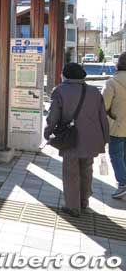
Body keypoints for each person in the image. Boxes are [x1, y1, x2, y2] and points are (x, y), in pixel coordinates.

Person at [44, 63, 110, 217]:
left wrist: (48, 133)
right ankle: (84, 201)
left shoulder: (60, 91)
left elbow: (53, 116)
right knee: (87, 169)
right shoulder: (94, 92)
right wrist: (105, 138)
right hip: (92, 138)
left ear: (65, 75)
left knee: (71, 172)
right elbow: (103, 117)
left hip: (71, 138)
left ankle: (73, 207)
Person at [102, 52, 126, 199]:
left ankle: (123, 184)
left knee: (116, 155)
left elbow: (103, 105)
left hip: (118, 126)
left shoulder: (112, 83)